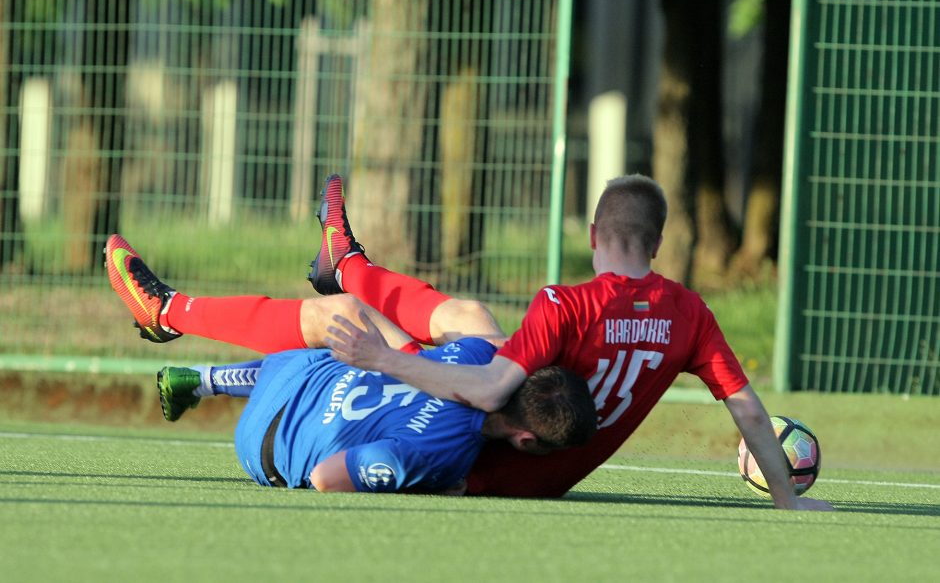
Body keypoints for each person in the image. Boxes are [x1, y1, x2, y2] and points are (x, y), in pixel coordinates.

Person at [105, 174, 831, 509]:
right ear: (660, 241)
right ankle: (347, 265)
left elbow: (486, 393)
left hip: (480, 451)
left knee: (339, 328)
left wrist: (386, 358)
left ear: (592, 237)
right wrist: (790, 502)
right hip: (543, 457)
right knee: (471, 319)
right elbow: (744, 409)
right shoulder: (689, 313)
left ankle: (170, 309)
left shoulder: (567, 303)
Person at [156, 344, 595, 494]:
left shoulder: (479, 352)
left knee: (329, 357)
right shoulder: (445, 459)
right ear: (525, 441)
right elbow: (326, 477)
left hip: (294, 374)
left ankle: (204, 380)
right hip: (260, 448)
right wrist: (436, 489)